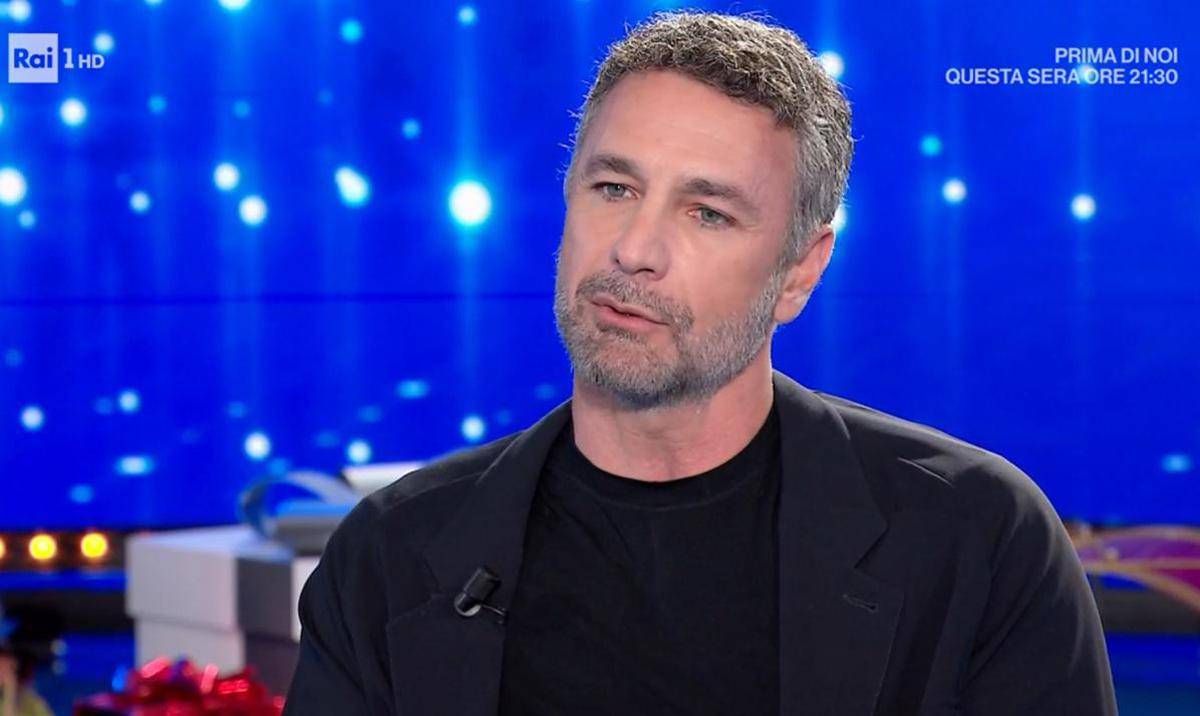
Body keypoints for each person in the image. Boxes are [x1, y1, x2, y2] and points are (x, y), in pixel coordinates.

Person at [284, 11, 1116, 715]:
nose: (635, 250)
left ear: (800, 272)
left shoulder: (978, 542)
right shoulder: (390, 557)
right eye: (614, 188)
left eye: (707, 212)